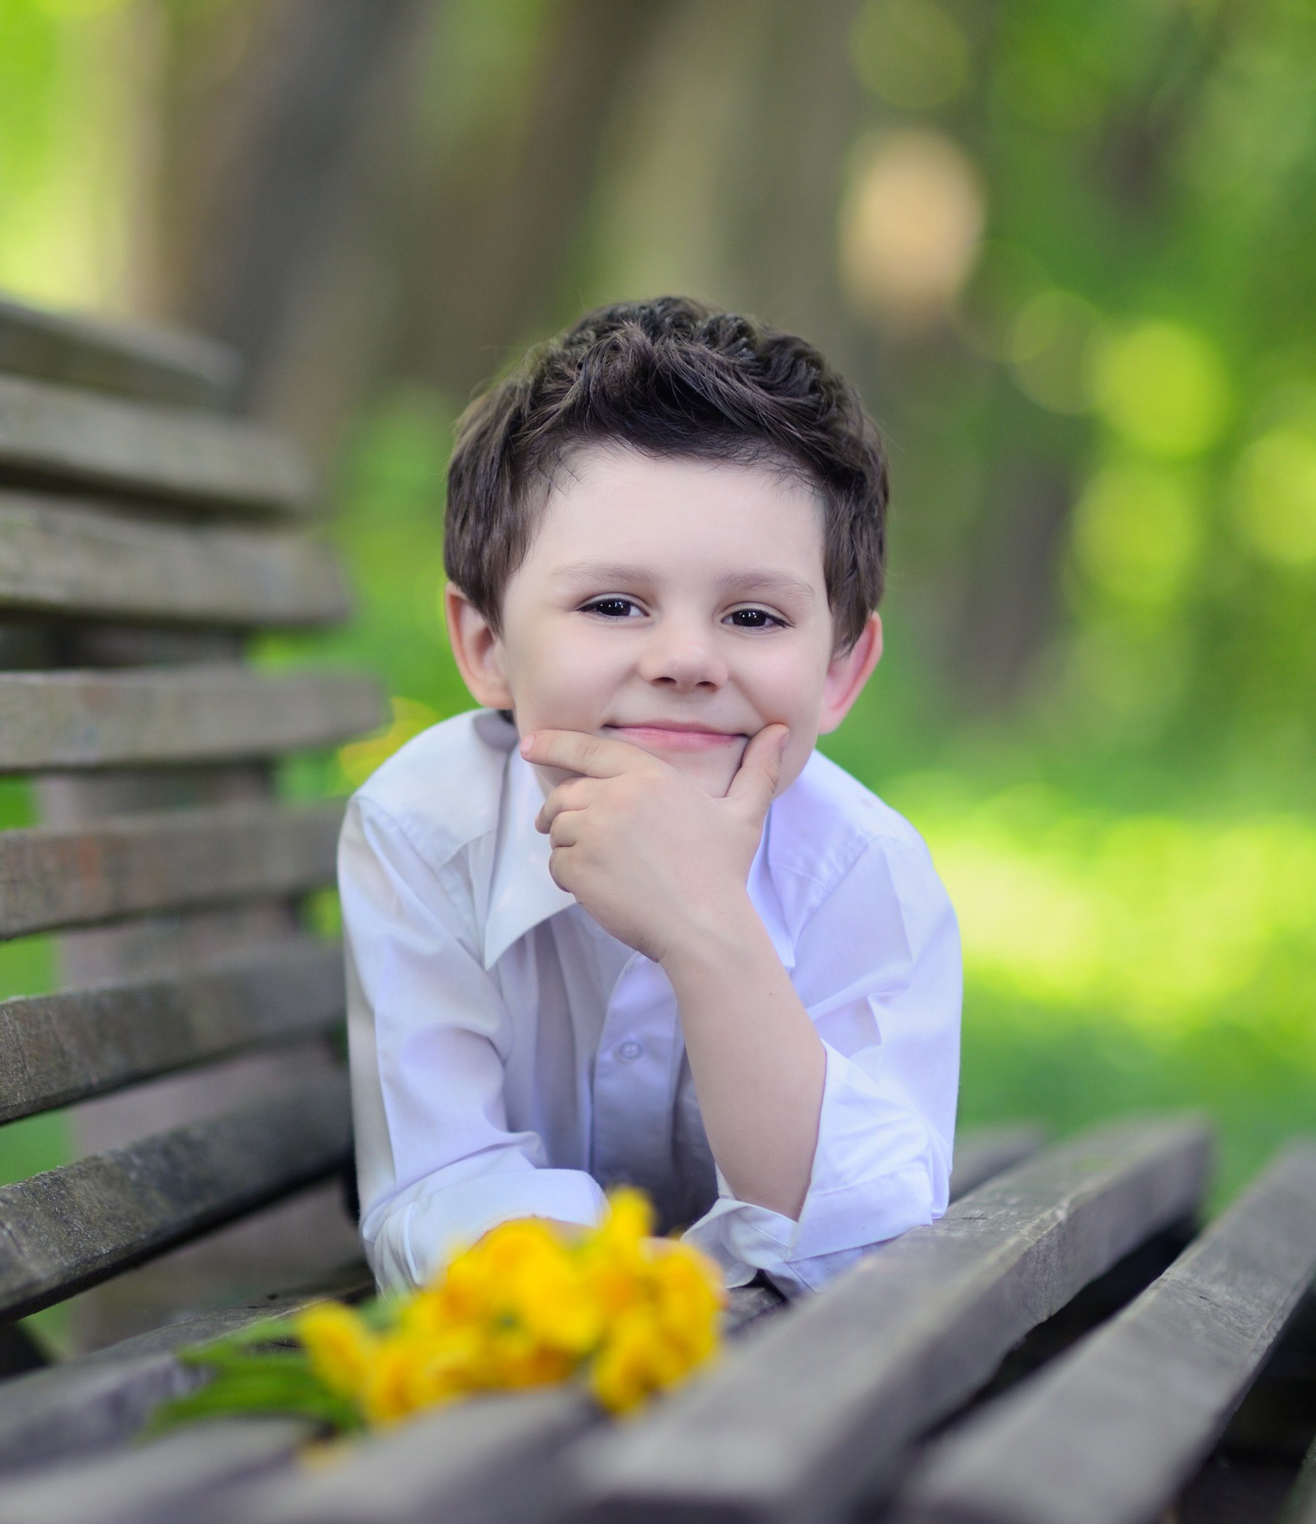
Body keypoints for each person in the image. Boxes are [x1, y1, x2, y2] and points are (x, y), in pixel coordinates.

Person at [339, 296, 961, 1299]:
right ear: (486, 647)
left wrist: (708, 927)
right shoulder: (420, 832)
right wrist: (673, 1273)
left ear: (840, 673)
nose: (683, 658)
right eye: (613, 604)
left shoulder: (862, 871)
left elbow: (872, 1247)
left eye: (752, 614)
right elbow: (434, 1195)